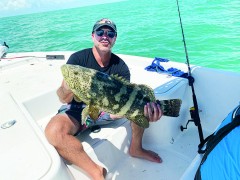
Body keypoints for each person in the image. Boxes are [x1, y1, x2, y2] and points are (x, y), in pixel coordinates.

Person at [45, 18, 163, 180]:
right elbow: (63, 98)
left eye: (110, 33)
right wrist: (67, 88)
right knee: (54, 132)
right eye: (100, 32)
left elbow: (123, 104)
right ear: (93, 36)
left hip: (108, 112)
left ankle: (136, 148)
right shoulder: (78, 60)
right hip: (77, 109)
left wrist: (143, 113)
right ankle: (96, 172)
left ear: (115, 38)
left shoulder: (120, 67)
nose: (105, 36)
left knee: (138, 107)